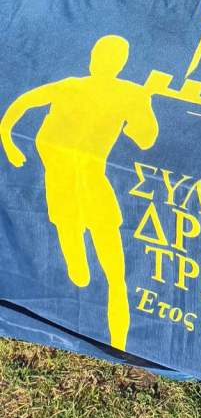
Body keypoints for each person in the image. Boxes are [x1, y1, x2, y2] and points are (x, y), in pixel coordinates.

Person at [0, 34, 158, 351]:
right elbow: (22, 103)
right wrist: (8, 141)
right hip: (62, 186)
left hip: (92, 185)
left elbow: (146, 138)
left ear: (118, 64)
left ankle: (119, 343)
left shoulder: (129, 94)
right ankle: (78, 284)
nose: (101, 61)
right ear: (93, 57)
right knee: (80, 273)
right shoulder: (71, 86)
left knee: (115, 272)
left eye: (109, 57)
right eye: (100, 54)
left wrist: (140, 109)